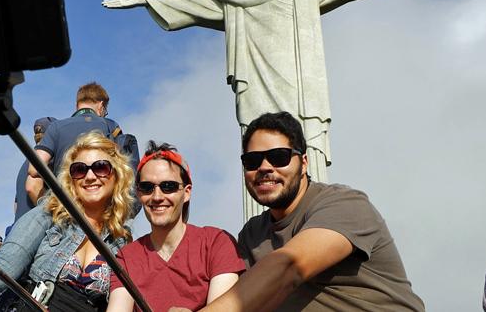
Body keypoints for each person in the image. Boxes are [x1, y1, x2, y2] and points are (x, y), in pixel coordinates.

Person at [103, 0, 472, 219]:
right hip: (257, 81)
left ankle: (314, 230)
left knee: (304, 146)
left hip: (300, 80)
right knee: (259, 153)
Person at [177, 112, 423, 311]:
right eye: (252, 161)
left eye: (278, 157)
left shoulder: (344, 204)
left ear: (304, 162)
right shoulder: (252, 235)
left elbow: (288, 268)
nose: (264, 167)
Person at [0, 131, 137, 312]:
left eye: (101, 167)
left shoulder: (122, 240)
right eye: (79, 170)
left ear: (117, 175)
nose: (90, 176)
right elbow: (6, 262)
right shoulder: (49, 214)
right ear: (71, 179)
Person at [107, 141, 245, 312]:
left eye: (168, 187)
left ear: (186, 192)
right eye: (147, 187)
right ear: (139, 194)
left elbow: (225, 308)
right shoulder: (126, 258)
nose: (157, 197)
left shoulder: (216, 243)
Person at [26, 82, 138, 203]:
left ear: (77, 105)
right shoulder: (110, 126)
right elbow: (123, 170)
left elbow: (34, 168)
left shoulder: (56, 127)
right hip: (100, 207)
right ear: (101, 106)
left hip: (66, 206)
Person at [14, 117, 56, 222]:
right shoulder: (46, 161)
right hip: (36, 230)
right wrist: (54, 217)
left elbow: (15, 206)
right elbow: (32, 188)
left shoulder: (26, 163)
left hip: (19, 228)